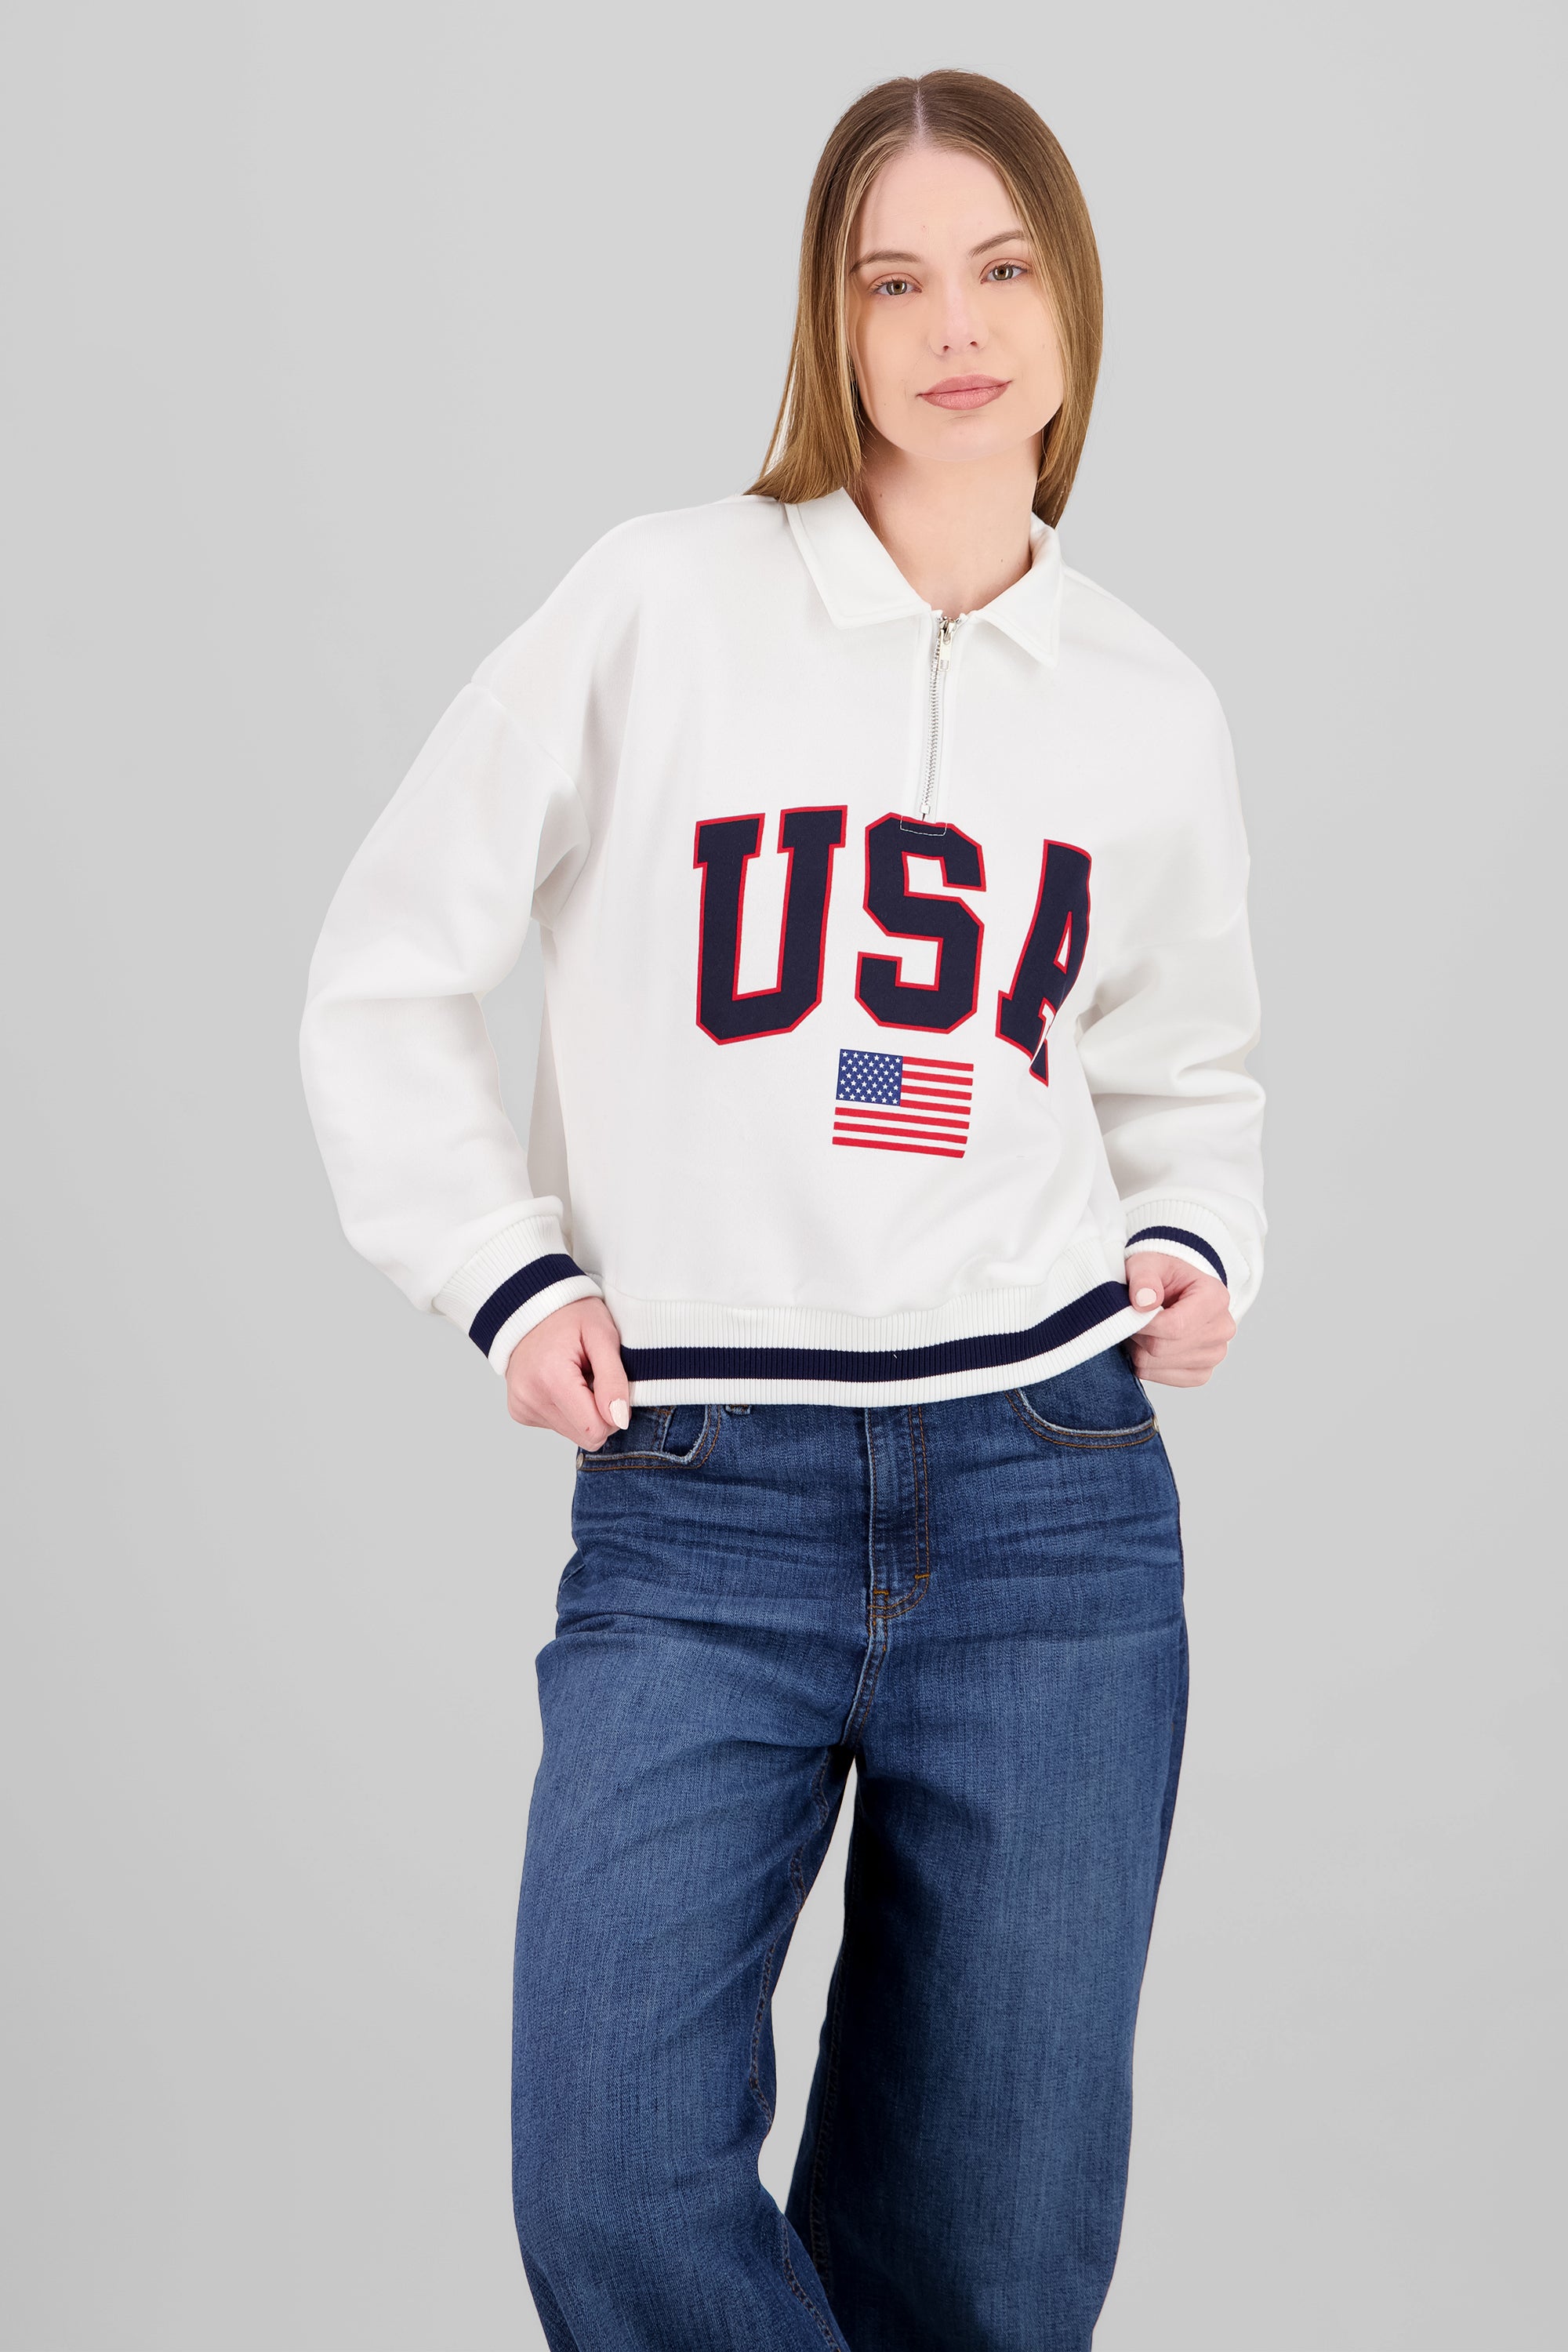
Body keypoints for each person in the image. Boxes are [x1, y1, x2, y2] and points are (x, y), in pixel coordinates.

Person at [299, 66, 1265, 2352]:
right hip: (703, 1499)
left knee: (986, 2252)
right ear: (830, 325)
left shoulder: (1146, 704)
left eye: (1001, 268)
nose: (956, 327)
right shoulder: (663, 603)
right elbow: (389, 960)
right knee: (611, 2174)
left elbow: (1183, 1062)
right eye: (892, 280)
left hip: (1050, 1500)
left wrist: (1197, 1235)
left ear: (1073, 298)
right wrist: (501, 1270)